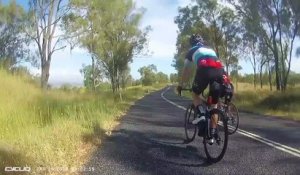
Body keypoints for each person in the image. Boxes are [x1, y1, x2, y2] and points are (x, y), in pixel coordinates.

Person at [177, 34, 225, 144]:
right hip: (219, 71)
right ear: (202, 42)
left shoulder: (191, 51)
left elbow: (186, 71)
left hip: (205, 70)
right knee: (214, 104)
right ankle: (212, 134)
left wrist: (181, 85)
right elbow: (217, 63)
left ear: (192, 43)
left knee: (195, 93)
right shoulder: (210, 49)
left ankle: (202, 114)